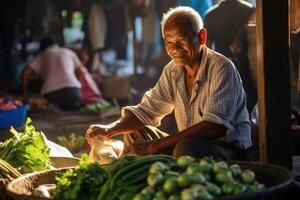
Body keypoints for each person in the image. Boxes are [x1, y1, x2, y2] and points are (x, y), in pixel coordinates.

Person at [86, 6, 252, 160]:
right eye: (169, 43)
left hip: (229, 150)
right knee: (134, 133)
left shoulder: (221, 67)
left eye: (181, 41)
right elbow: (146, 111)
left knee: (184, 147)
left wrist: (154, 145)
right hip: (191, 146)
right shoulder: (173, 70)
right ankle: (141, 181)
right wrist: (109, 129)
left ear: (201, 37)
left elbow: (214, 127)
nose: (175, 49)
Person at [204, 0, 256, 113]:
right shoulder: (250, 10)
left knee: (223, 103)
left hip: (222, 67)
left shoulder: (211, 14)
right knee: (248, 103)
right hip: (248, 66)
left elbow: (207, 48)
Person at [22, 36, 85, 111]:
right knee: (75, 111)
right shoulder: (68, 52)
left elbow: (26, 72)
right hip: (74, 92)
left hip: (51, 94)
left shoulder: (43, 54)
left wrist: (24, 91)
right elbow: (81, 71)